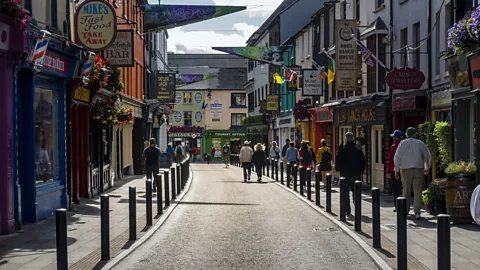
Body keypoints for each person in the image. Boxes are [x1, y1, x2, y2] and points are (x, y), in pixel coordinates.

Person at [394, 127, 431, 220]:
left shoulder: (402, 143)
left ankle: (405, 211)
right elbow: (427, 156)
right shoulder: (420, 143)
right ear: (415, 134)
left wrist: (396, 170)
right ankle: (417, 212)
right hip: (418, 168)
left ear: (406, 134)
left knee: (406, 190)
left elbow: (397, 157)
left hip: (406, 169)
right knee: (417, 191)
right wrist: (427, 167)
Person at [336, 132, 366, 215]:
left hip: (345, 175)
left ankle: (347, 209)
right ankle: (357, 208)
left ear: (346, 139)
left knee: (345, 193)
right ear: (353, 139)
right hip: (355, 174)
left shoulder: (342, 150)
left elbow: (337, 163)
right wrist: (360, 172)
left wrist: (339, 170)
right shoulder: (358, 150)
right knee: (356, 192)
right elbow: (363, 163)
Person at [387, 130, 403, 212]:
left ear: (396, 137)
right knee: (403, 188)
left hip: (395, 169)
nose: (393, 138)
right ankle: (404, 206)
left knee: (396, 189)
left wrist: (388, 171)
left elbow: (390, 159)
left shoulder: (394, 146)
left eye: (394, 136)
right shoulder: (404, 145)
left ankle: (397, 206)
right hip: (404, 169)